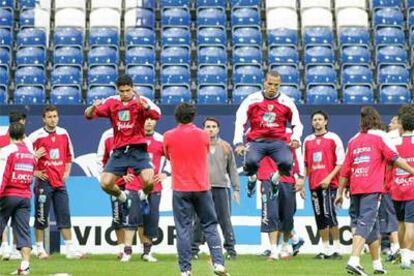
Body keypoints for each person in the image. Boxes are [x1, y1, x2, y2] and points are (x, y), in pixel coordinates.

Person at [335, 106, 414, 275]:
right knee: (367, 223)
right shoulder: (381, 136)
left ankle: (377, 265)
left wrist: (339, 192)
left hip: (355, 187)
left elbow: (345, 169)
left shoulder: (353, 140)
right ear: (377, 119)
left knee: (372, 227)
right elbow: (394, 157)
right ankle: (354, 260)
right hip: (373, 187)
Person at [164, 103, 228, 276]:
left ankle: (185, 270)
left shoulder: (168, 136)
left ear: (177, 117)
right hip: (201, 187)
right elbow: (205, 152)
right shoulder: (203, 135)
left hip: (180, 188)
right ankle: (219, 264)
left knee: (183, 228)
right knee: (210, 225)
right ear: (193, 116)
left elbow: (168, 156)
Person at [85, 74, 161, 204]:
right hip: (120, 151)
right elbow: (88, 115)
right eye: (122, 91)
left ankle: (143, 195)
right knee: (105, 183)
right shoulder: (111, 102)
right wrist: (93, 107)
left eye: (128, 90)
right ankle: (123, 197)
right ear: (117, 90)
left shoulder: (141, 100)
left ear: (133, 88)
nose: (125, 94)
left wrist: (146, 107)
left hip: (138, 150)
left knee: (149, 182)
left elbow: (157, 115)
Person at [233, 70, 303, 199]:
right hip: (257, 141)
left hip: (278, 142)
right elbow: (240, 121)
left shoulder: (286, 101)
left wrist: (296, 138)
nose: (273, 88)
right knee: (251, 162)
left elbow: (297, 124)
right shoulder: (252, 99)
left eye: (276, 85)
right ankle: (252, 179)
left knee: (287, 163)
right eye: (270, 84)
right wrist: (238, 143)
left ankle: (274, 180)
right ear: (264, 83)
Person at [28, 105, 82, 259]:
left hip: (60, 183)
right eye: (50, 117)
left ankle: (70, 250)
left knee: (64, 214)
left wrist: (67, 171)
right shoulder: (35, 136)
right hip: (43, 183)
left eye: (55, 116)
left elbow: (69, 155)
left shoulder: (64, 133)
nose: (53, 119)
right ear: (44, 119)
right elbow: (24, 157)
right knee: (41, 216)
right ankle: (39, 249)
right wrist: (35, 172)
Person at [192, 117, 240, 260]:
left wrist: (236, 189)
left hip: (221, 188)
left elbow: (232, 169)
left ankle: (231, 250)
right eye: (208, 126)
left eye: (213, 126)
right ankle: (194, 250)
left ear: (218, 129)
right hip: (202, 189)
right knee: (199, 219)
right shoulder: (197, 146)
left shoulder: (226, 146)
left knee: (225, 220)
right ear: (203, 129)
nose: (210, 129)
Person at [256, 128, 304, 261]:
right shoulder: (257, 132)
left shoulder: (290, 134)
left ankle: (284, 246)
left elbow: (297, 155)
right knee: (271, 215)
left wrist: (300, 177)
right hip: (267, 178)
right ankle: (273, 250)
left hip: (287, 179)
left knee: (287, 216)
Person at [303, 110, 345, 259]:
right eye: (314, 120)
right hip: (314, 184)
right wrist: (302, 181)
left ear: (326, 121)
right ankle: (325, 249)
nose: (317, 122)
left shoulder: (333, 138)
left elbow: (341, 162)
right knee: (319, 217)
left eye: (320, 119)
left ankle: (337, 249)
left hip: (330, 184)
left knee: (330, 215)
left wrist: (329, 178)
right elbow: (306, 163)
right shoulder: (307, 140)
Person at [0, 122, 37, 275]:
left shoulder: (6, 151)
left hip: (8, 195)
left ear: (8, 134)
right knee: (24, 231)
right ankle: (25, 266)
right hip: (25, 196)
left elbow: (3, 175)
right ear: (23, 136)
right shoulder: (31, 154)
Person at [0, 111, 28, 261]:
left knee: (16, 221)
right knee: (10, 221)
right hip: (14, 188)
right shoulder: (3, 140)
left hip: (14, 187)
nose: (23, 125)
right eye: (21, 122)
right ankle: (5, 247)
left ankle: (14, 249)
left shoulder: (27, 141)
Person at [390, 106, 414, 269]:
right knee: (411, 224)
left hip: (396, 188)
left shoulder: (391, 141)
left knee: (400, 223)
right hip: (412, 188)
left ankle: (402, 253)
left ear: (402, 126)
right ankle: (408, 257)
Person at [96, 128, 125, 259]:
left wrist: (132, 175)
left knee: (139, 217)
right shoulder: (107, 135)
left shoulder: (134, 132)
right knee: (117, 216)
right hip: (116, 185)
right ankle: (122, 249)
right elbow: (100, 159)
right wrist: (105, 180)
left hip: (133, 183)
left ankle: (145, 250)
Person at [379, 116, 401, 262]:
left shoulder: (387, 138)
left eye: (393, 122)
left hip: (390, 184)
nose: (389, 124)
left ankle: (397, 248)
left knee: (392, 216)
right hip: (404, 184)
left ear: (400, 124)